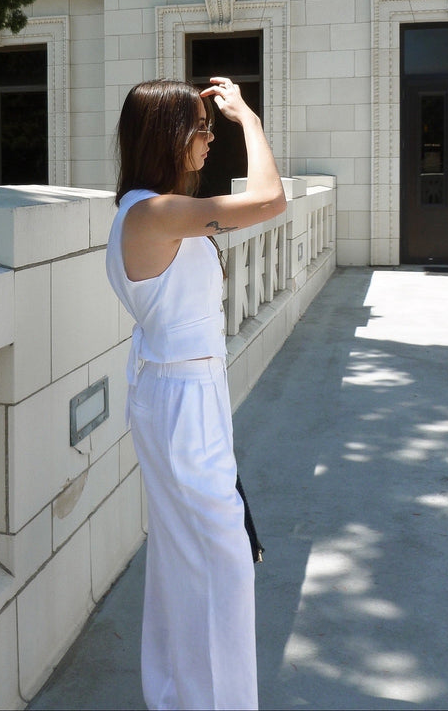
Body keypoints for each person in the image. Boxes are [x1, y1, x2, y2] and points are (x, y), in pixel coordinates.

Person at [106, 76, 287, 711]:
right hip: (180, 398)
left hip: (183, 393)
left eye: (214, 127)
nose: (210, 139)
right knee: (222, 566)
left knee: (188, 561)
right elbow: (270, 202)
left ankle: (180, 698)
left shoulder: (152, 211)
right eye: (201, 129)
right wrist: (250, 121)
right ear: (168, 137)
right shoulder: (153, 213)